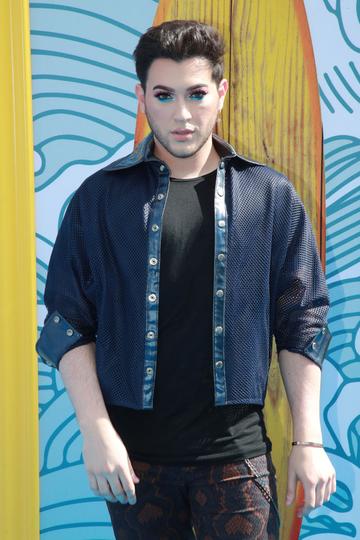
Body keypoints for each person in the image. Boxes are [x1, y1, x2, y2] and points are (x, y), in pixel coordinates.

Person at [36, 19, 336, 540]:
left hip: (236, 457)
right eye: (163, 95)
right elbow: (68, 322)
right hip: (133, 463)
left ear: (220, 93)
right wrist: (96, 430)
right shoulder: (100, 198)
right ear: (141, 97)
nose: (181, 114)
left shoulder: (267, 196)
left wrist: (308, 441)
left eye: (197, 94)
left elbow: (301, 322)